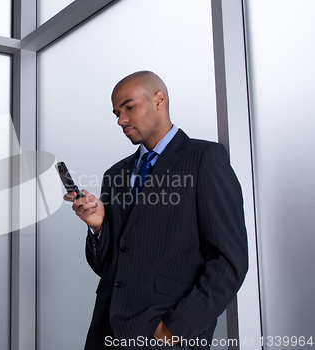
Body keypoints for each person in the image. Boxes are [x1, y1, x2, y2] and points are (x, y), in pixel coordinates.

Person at [64, 71, 248, 350]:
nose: (121, 120)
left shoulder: (204, 159)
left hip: (164, 336)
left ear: (159, 100)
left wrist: (176, 329)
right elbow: (108, 266)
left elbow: (229, 261)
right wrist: (98, 226)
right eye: (116, 112)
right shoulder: (115, 173)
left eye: (129, 107)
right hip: (106, 334)